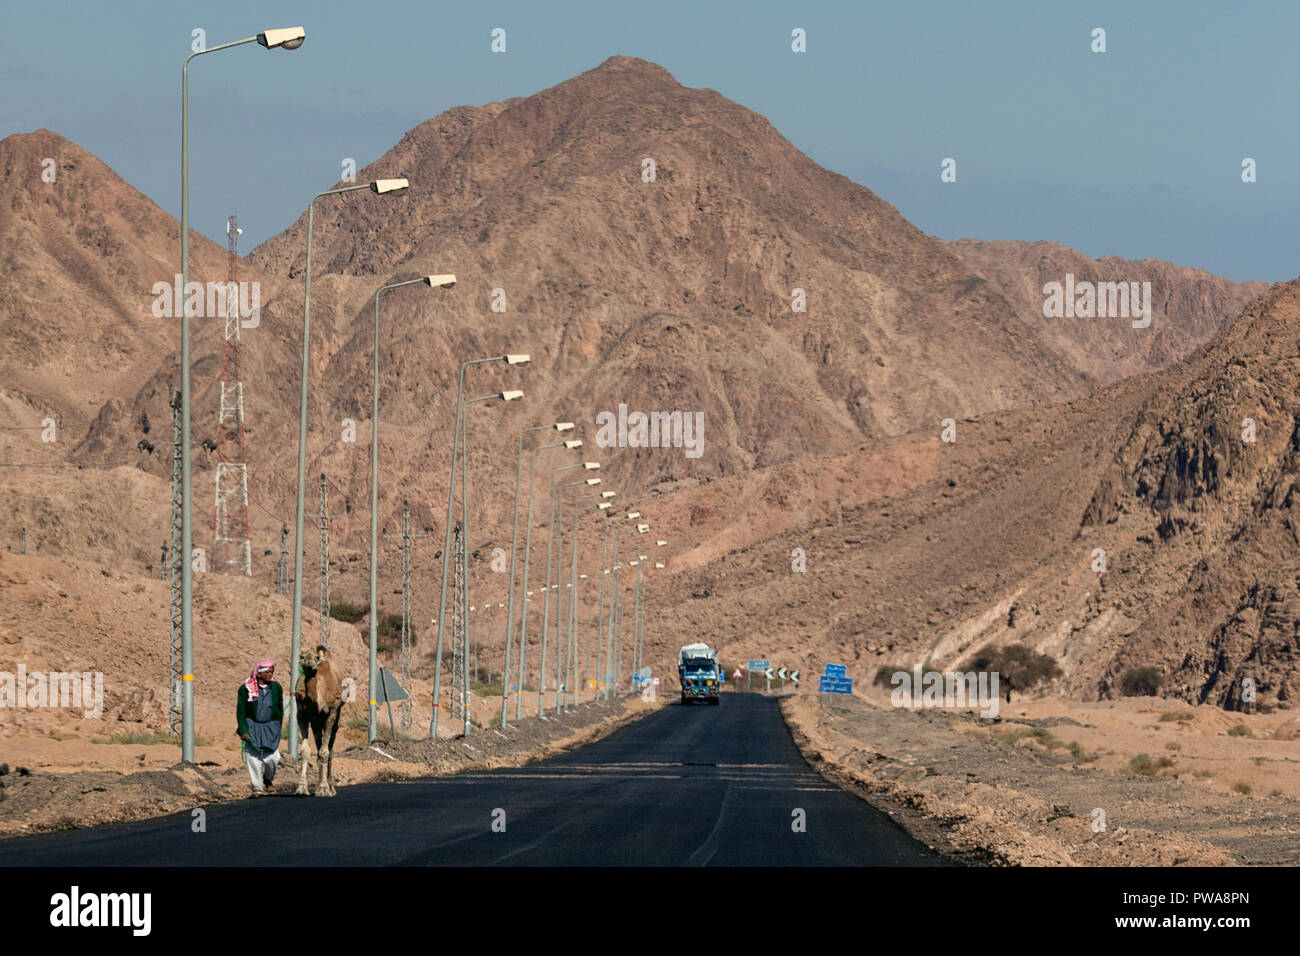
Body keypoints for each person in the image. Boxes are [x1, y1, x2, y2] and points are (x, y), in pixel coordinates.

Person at [236, 660, 283, 796]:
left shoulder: (276, 688)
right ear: (259, 674)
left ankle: (268, 780)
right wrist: (243, 730)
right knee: (253, 758)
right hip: (252, 726)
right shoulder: (245, 689)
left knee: (273, 758)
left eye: (271, 672)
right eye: (267, 672)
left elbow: (279, 710)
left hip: (270, 727)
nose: (270, 674)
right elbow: (241, 711)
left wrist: (277, 726)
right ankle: (257, 788)